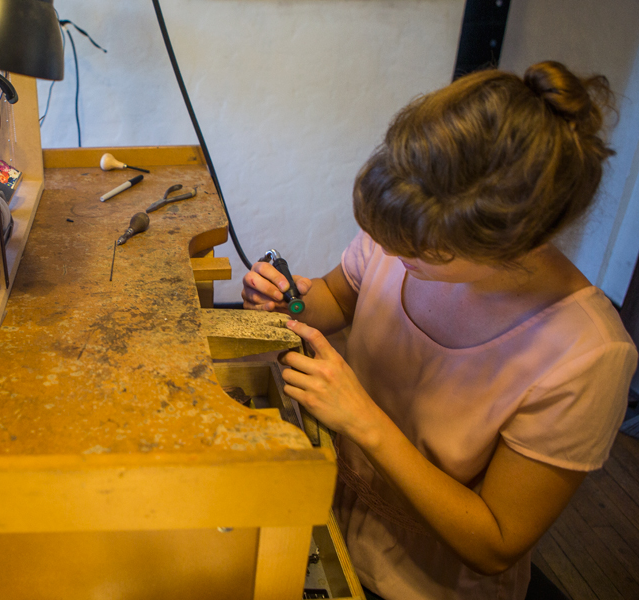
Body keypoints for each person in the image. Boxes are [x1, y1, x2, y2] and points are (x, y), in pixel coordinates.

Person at [242, 61, 637, 600]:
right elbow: (337, 296)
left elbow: (495, 541)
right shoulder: (410, 234)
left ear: (510, 245)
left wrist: (363, 420)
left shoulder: (587, 354)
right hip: (322, 520)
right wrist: (288, 299)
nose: (394, 256)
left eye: (419, 254)